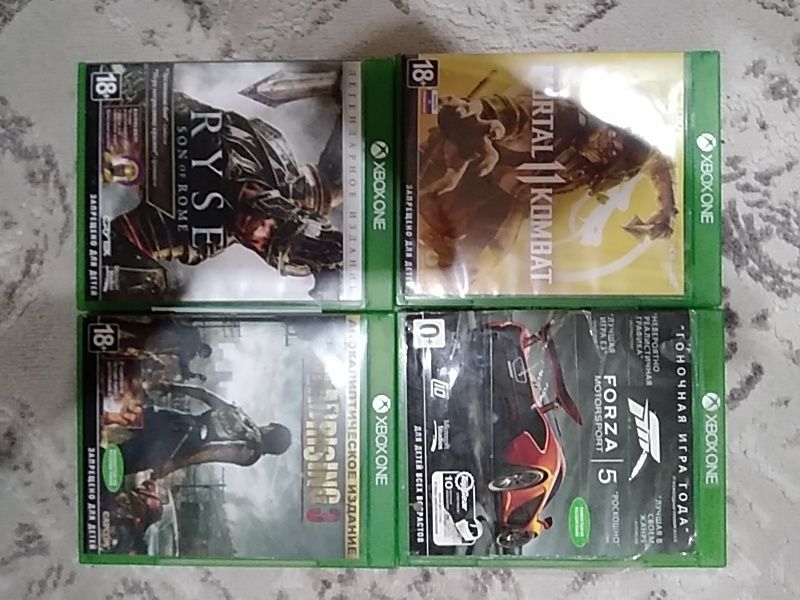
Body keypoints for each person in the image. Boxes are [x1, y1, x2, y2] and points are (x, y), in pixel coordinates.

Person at [118, 381, 291, 478]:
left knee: (115, 416)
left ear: (270, 428)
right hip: (177, 444)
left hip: (172, 419)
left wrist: (169, 386)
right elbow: (213, 452)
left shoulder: (239, 414)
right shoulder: (251, 452)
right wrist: (174, 465)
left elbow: (203, 394)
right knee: (117, 462)